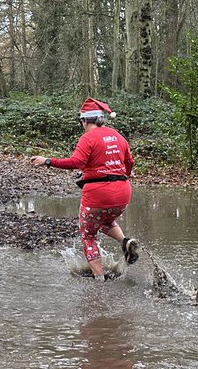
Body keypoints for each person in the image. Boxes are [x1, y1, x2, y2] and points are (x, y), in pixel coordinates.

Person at [31, 98, 140, 281]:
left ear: (84, 120)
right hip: (123, 192)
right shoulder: (117, 136)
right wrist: (123, 177)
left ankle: (99, 280)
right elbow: (129, 162)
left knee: (88, 235)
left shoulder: (87, 138)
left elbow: (76, 162)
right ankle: (125, 242)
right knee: (105, 220)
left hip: (98, 194)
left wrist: (48, 161)